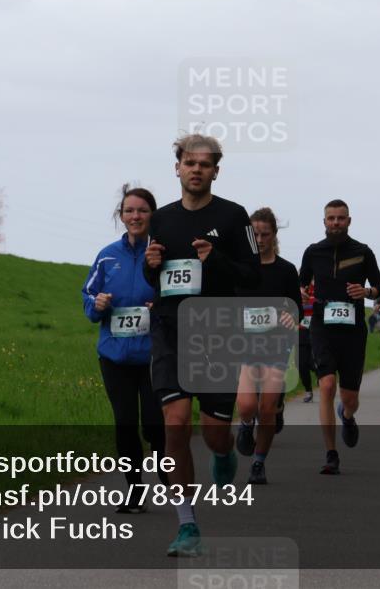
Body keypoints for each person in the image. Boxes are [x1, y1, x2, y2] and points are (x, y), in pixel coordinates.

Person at [143, 134, 261, 556]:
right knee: (175, 423)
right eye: (189, 163)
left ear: (216, 171)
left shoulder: (233, 217)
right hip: (170, 329)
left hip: (216, 331)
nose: (196, 170)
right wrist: (148, 266)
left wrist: (218, 260)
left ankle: (226, 451)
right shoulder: (162, 219)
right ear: (177, 168)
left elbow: (253, 275)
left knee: (213, 435)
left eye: (205, 164)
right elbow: (155, 280)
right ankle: (187, 525)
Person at [82, 185, 166, 512]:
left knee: (155, 425)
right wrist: (98, 303)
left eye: (142, 210)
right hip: (114, 356)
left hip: (153, 356)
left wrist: (158, 305)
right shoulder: (106, 256)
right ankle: (133, 490)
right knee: (126, 423)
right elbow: (87, 297)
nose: (135, 216)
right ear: (121, 216)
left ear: (152, 216)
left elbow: (177, 297)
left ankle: (168, 477)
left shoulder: (162, 256)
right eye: (129, 211)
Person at [298, 200, 380, 475]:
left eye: (340, 218)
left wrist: (366, 293)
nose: (335, 223)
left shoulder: (362, 252)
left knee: (350, 398)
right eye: (331, 218)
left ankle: (347, 416)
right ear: (324, 222)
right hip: (322, 327)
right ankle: (331, 453)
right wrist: (300, 292)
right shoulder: (313, 252)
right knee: (326, 385)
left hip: (353, 331)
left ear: (349, 221)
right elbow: (300, 284)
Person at [235, 207, 302, 485]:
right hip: (245, 345)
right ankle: (245, 424)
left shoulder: (286, 270)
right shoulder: (238, 266)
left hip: (276, 345)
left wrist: (291, 315)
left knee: (267, 407)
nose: (260, 239)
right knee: (248, 405)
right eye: (255, 234)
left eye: (265, 234)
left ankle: (259, 463)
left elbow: (297, 306)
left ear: (274, 235)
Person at [298, 282, 317, 402]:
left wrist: (309, 300)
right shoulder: (296, 291)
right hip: (300, 331)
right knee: (301, 364)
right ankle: (308, 390)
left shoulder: (319, 288)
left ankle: (323, 375)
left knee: (318, 360)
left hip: (317, 330)